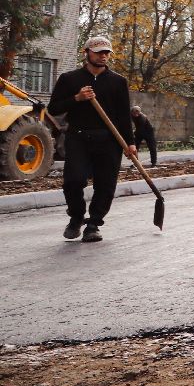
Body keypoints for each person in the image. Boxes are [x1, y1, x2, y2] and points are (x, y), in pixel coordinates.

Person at [46, 36, 139, 243]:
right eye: (98, 52)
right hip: (78, 137)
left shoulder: (118, 81)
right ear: (86, 52)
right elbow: (53, 108)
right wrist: (76, 98)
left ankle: (94, 224)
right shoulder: (69, 79)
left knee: (105, 184)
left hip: (109, 140)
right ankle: (76, 217)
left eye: (106, 52)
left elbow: (123, 116)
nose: (103, 56)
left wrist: (130, 142)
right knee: (74, 180)